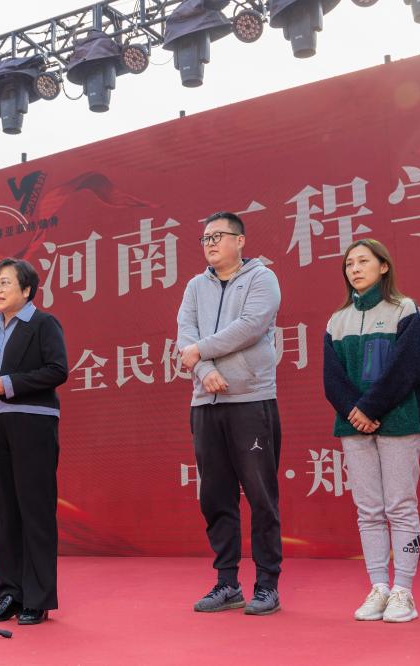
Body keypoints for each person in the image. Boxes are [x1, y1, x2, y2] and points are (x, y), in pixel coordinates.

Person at [176, 211, 283, 616]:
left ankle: (267, 584)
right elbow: (184, 336)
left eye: (218, 236)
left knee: (261, 497)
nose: (210, 243)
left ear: (240, 241)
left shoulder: (262, 278)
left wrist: (201, 352)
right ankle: (227, 582)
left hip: (251, 399)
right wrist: (205, 372)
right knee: (215, 496)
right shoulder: (194, 286)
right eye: (205, 238)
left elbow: (251, 326)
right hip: (205, 402)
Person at [322, 239, 420, 623]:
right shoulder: (337, 321)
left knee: (400, 507)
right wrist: (357, 413)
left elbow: (408, 369)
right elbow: (332, 380)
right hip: (354, 428)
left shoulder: (404, 310)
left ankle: (404, 590)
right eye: (349, 263)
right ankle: (379, 587)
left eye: (363, 261)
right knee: (368, 511)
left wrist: (369, 408)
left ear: (384, 266)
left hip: (399, 423)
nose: (354, 268)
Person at [0, 258, 68, 626]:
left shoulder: (43, 323)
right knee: (3, 513)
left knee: (35, 511)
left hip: (33, 422)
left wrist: (9, 384)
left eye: (4, 283)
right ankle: (9, 594)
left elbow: (57, 370)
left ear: (26, 290)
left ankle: (37, 598)